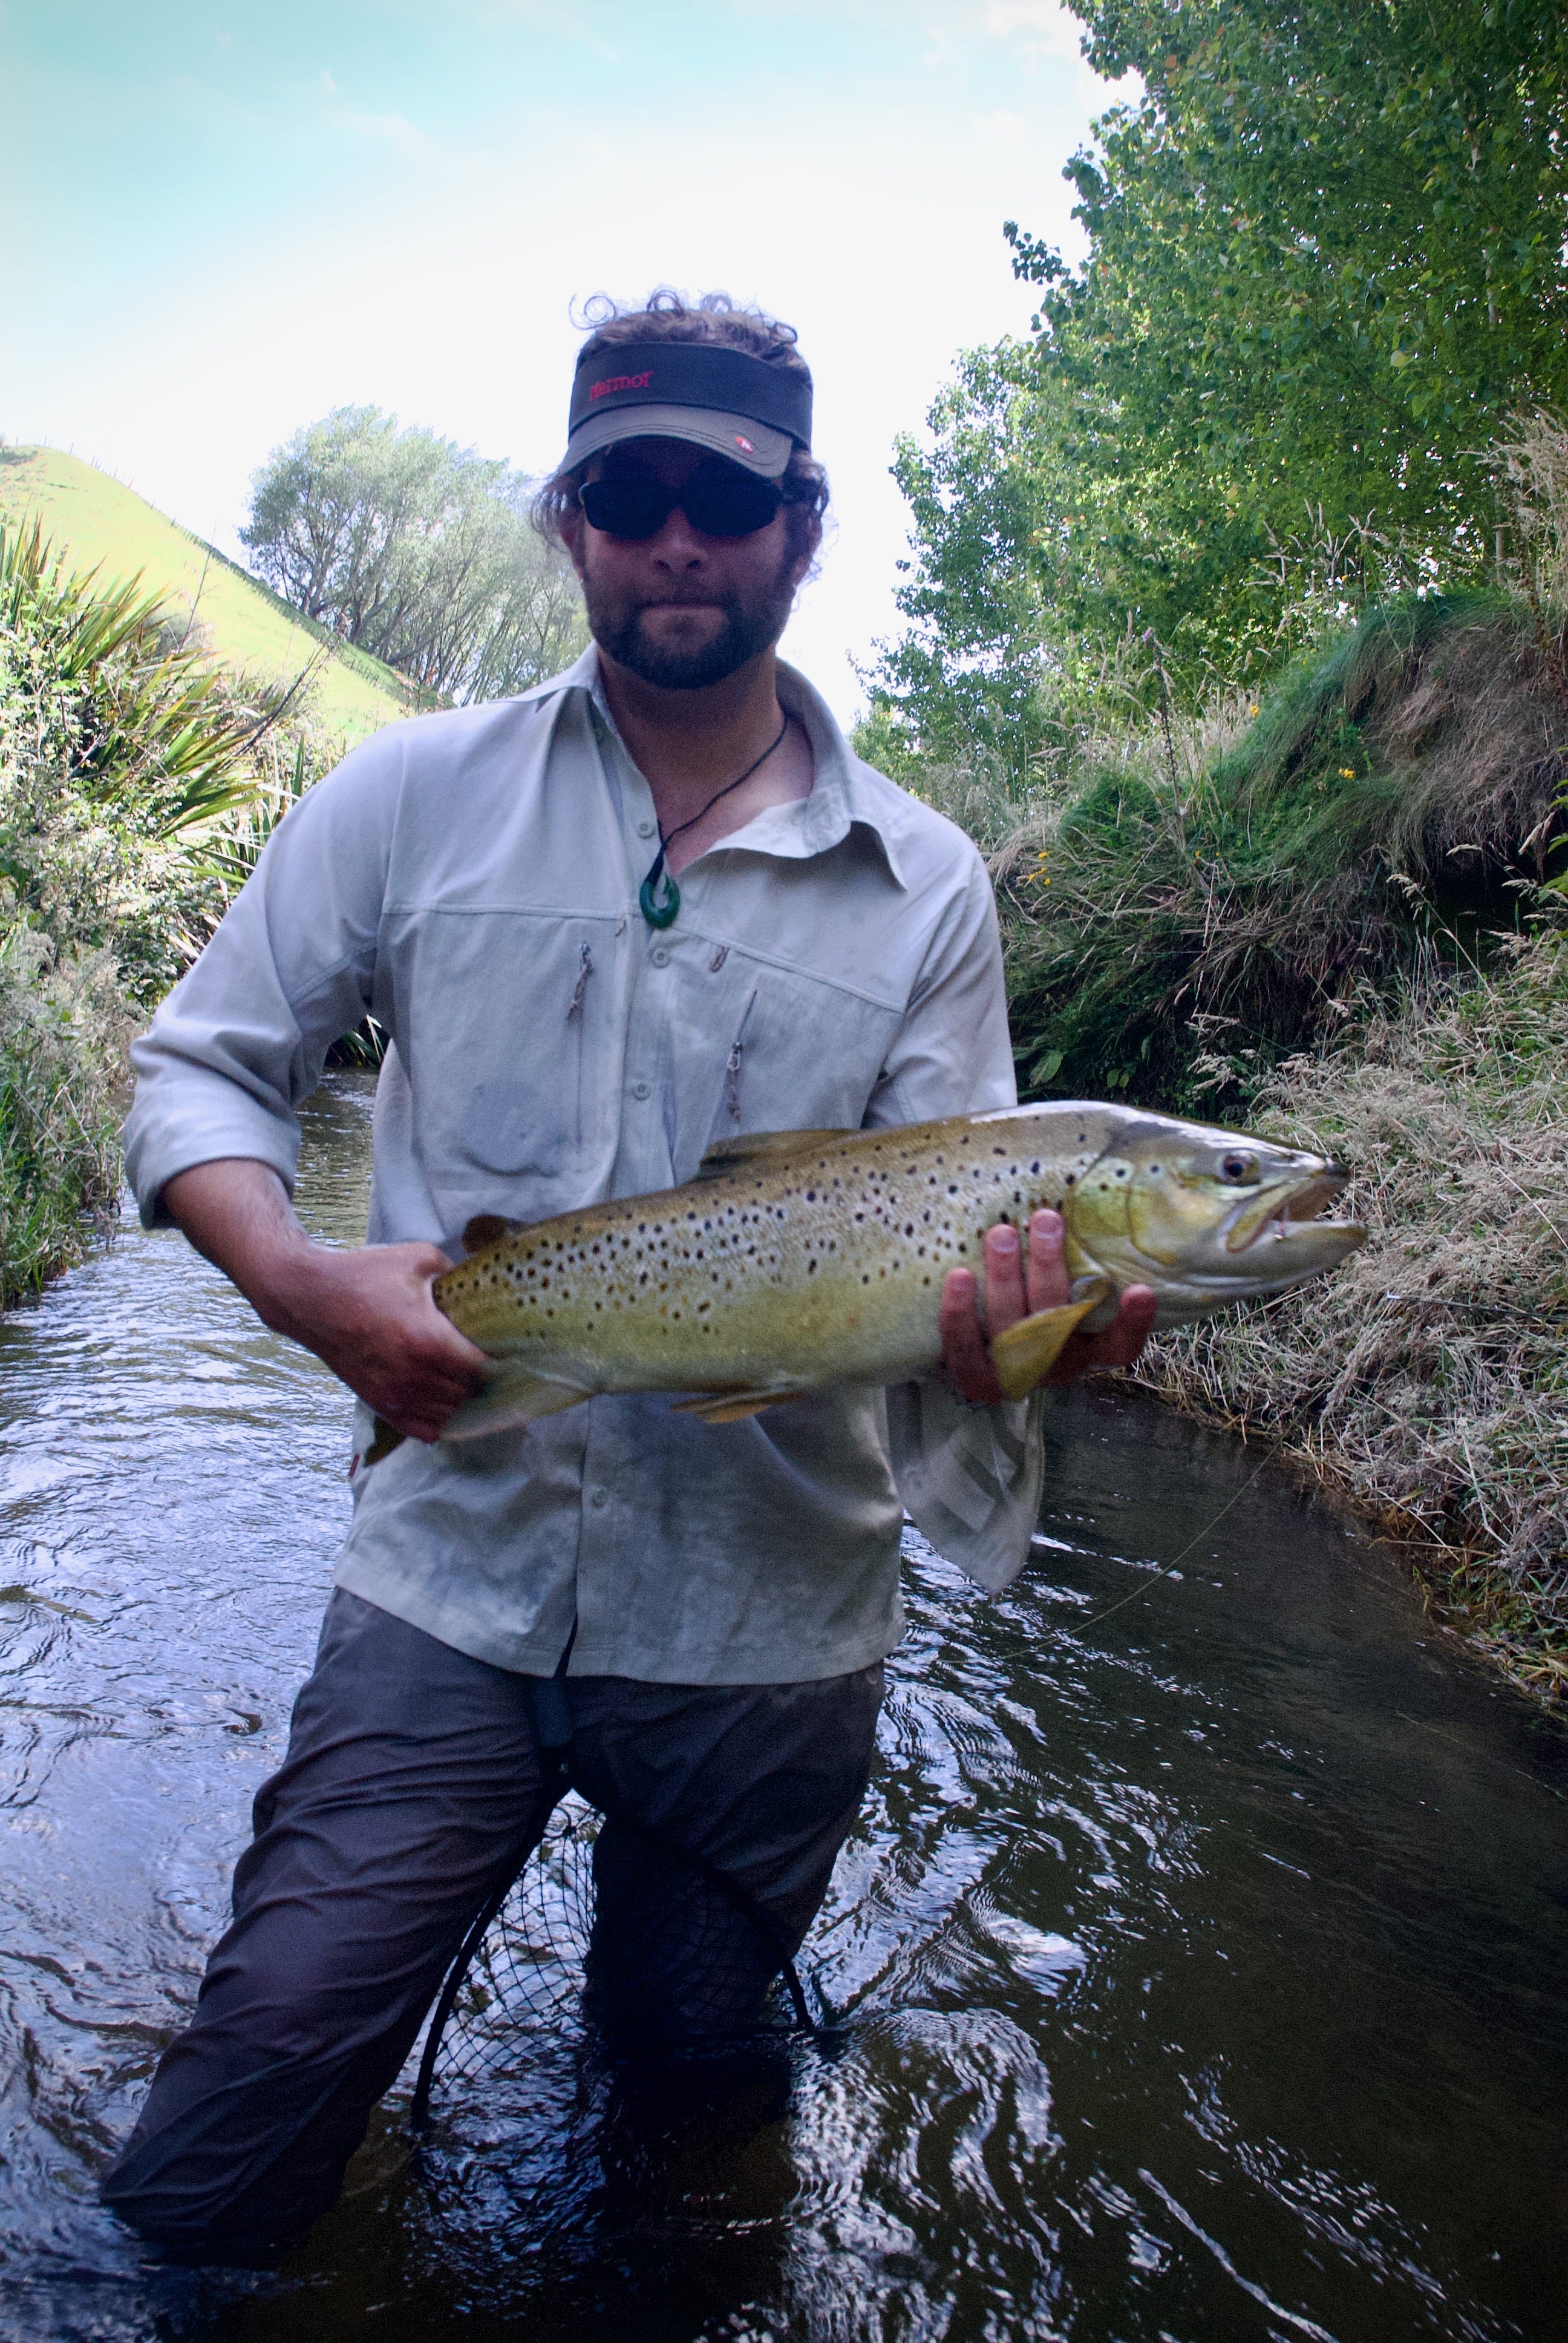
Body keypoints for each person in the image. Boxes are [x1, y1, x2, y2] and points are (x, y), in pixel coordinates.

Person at [101, 290, 1154, 2265]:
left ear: (802, 529)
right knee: (247, 2102)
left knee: (685, 2106)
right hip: (449, 1565)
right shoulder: (411, 795)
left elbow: (954, 1318)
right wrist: (301, 1282)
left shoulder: (926, 885)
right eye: (630, 493)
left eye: (725, 500)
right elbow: (200, 1073)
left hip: (769, 1624)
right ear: (571, 522)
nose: (678, 538)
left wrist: (1027, 1346)